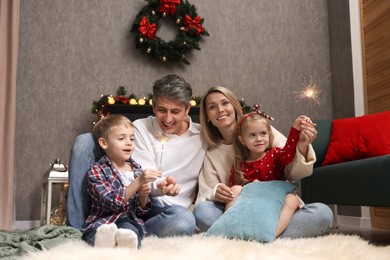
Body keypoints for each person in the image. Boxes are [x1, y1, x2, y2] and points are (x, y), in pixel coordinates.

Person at [67, 74, 207, 238]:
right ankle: (75, 230)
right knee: (84, 141)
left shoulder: (203, 136)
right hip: (138, 199)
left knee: (184, 220)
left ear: (187, 109)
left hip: (169, 212)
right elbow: (139, 174)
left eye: (175, 111)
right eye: (162, 110)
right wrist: (161, 186)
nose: (168, 119)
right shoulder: (139, 128)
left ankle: (131, 232)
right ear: (153, 105)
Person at [193, 86, 334, 238]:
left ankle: (251, 235)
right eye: (212, 107)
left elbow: (291, 167)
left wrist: (302, 145)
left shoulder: (262, 130)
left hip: (276, 209)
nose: (220, 110)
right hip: (241, 212)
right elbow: (206, 194)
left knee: (323, 213)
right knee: (202, 212)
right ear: (207, 116)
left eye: (225, 103)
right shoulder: (212, 153)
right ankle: (258, 235)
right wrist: (217, 192)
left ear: (234, 106)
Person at [226, 108, 312, 238]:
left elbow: (289, 153)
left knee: (292, 199)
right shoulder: (240, 165)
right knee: (235, 189)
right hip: (252, 208)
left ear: (269, 135)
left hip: (275, 207)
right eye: (252, 135)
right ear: (242, 140)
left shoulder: (275, 155)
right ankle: (229, 226)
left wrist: (295, 129)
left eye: (263, 134)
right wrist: (249, 187)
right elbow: (231, 191)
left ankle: (271, 235)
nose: (259, 139)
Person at [82, 114, 162, 248]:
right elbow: (112, 201)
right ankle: (105, 243)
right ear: (104, 143)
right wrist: (138, 181)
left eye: (132, 138)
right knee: (93, 235)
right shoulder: (97, 170)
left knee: (130, 230)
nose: (129, 142)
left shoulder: (136, 169)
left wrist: (143, 197)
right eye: (121, 138)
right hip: (102, 222)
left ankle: (123, 246)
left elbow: (140, 212)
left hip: (128, 220)